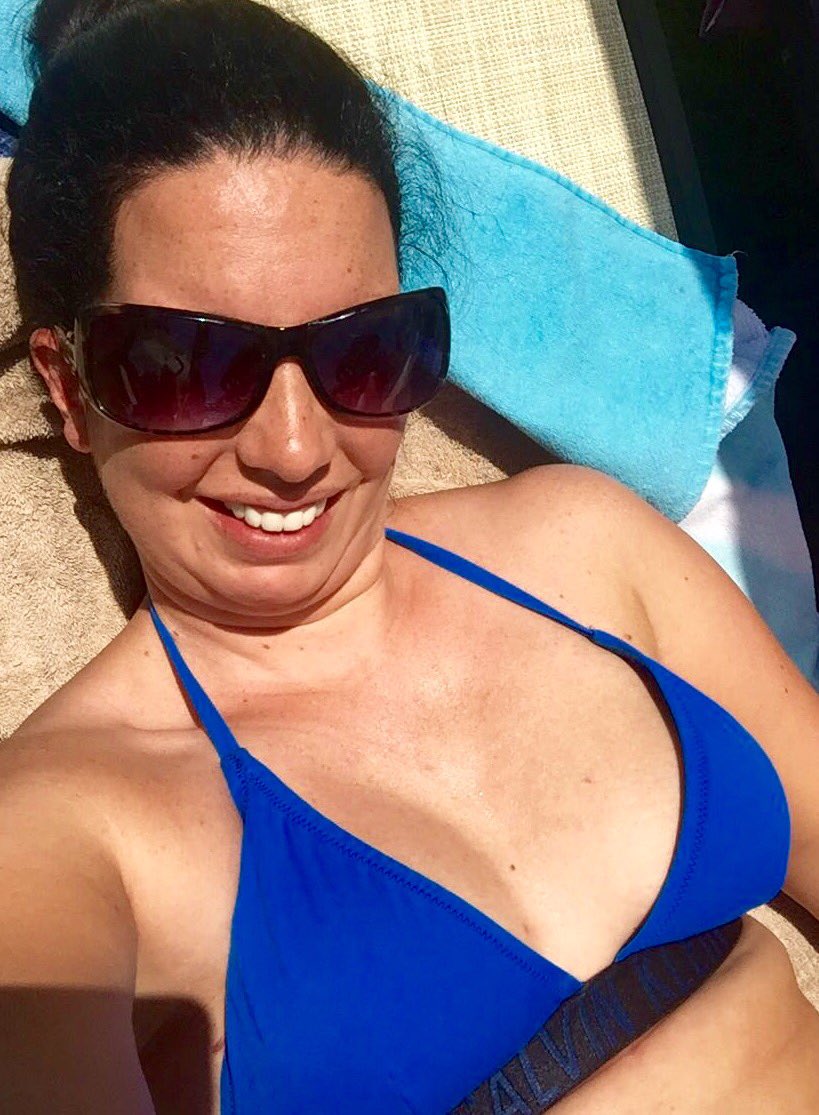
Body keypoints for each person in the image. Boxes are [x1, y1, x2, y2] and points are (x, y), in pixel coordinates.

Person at [1, 0, 817, 1111]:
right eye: (189, 365)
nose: (296, 450)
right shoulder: (61, 839)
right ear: (68, 386)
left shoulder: (585, 545)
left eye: (363, 349)